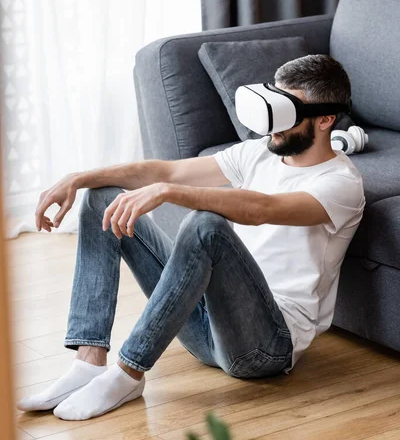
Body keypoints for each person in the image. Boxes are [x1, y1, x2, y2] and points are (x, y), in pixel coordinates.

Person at [17, 54, 365, 421]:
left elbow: (259, 208)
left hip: (264, 346)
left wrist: (168, 192)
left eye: (286, 112)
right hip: (203, 325)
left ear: (326, 119)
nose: (271, 125)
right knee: (102, 196)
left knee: (205, 226)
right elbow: (165, 169)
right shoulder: (258, 153)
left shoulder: (340, 184)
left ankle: (129, 371)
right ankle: (89, 362)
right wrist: (79, 177)